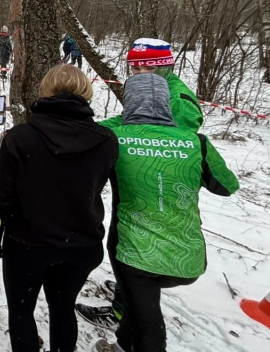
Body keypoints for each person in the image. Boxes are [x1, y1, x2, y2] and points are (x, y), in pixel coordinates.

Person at [94, 74, 238, 352]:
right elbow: (227, 185)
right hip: (186, 259)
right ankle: (121, 349)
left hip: (133, 252)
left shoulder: (116, 137)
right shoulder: (196, 142)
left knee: (148, 325)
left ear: (130, 102)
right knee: (139, 304)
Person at [0, 65, 119, 352]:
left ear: (45, 90)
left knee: (21, 311)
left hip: (28, 244)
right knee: (63, 306)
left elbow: (1, 197)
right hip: (81, 244)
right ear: (86, 92)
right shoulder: (106, 140)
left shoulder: (20, 137)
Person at [77, 37, 205, 331]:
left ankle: (122, 311)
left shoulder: (179, 100)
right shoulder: (153, 89)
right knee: (127, 244)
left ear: (165, 66)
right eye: (135, 68)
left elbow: (170, 138)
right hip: (141, 183)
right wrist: (91, 129)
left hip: (157, 186)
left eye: (148, 68)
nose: (140, 74)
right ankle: (131, 287)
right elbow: (128, 120)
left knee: (130, 245)